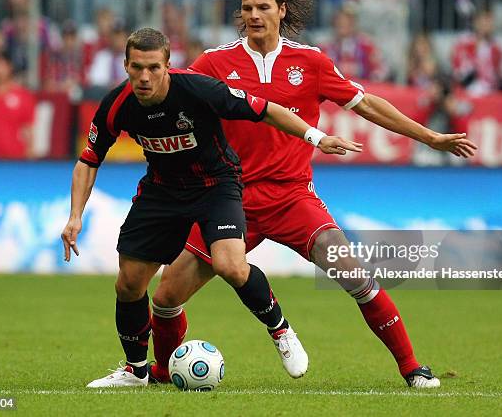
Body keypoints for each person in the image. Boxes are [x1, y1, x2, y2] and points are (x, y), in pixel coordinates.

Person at [149, 0, 477, 389]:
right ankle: (156, 373)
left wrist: (429, 137)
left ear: (281, 9)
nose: (253, 15)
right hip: (230, 198)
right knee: (166, 295)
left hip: (292, 197)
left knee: (355, 274)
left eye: (263, 6)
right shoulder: (215, 62)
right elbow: (174, 95)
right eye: (247, 7)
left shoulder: (311, 62)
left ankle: (412, 368)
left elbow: (367, 103)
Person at [60, 27, 362, 388]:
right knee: (128, 284)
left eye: (154, 67)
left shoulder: (197, 89)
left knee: (230, 265)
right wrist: (75, 215)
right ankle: (136, 371)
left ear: (168, 66)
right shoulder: (116, 104)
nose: (145, 77)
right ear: (125, 65)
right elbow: (89, 159)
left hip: (216, 186)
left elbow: (266, 110)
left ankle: (280, 329)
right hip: (162, 192)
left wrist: (317, 137)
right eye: (137, 67)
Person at [451, 7, 502, 96]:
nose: (489, 24)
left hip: (489, 94)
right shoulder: (463, 43)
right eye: (485, 20)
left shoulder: (496, 48)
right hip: (466, 92)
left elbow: (496, 75)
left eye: (491, 21)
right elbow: (458, 70)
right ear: (476, 22)